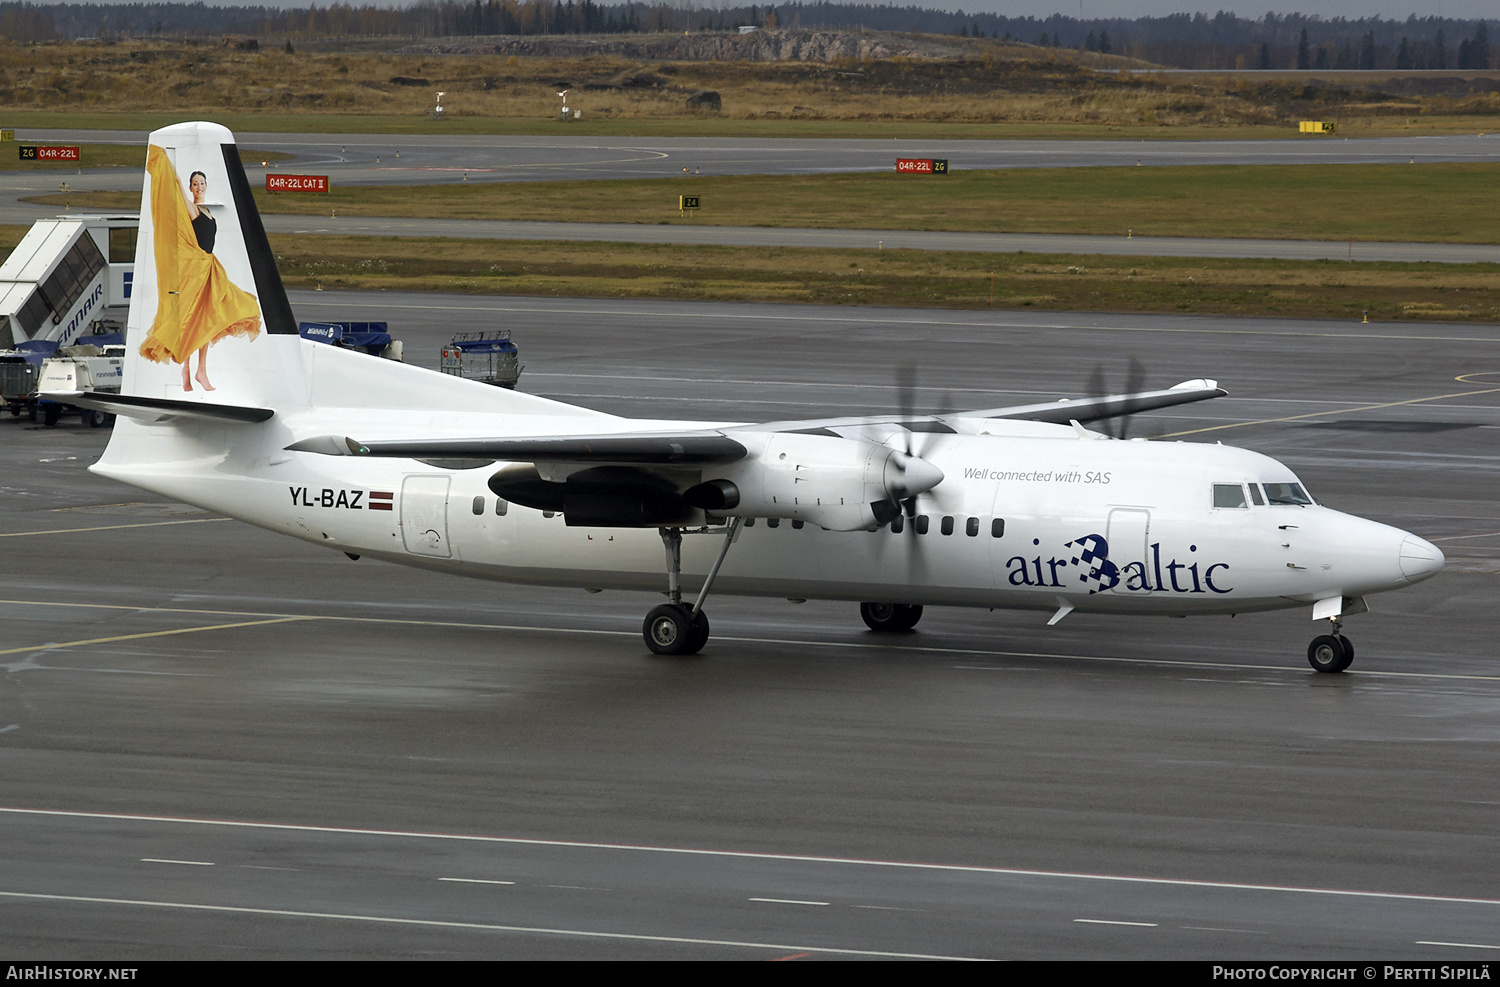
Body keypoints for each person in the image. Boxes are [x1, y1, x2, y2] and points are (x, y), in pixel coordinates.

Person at [137, 147, 261, 391]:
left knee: (207, 316)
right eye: (195, 183)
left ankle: (196, 370)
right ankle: (192, 369)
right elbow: (180, 195)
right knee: (199, 317)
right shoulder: (192, 210)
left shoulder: (207, 211)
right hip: (199, 269)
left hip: (209, 266)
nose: (199, 186)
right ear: (192, 187)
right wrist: (177, 178)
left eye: (201, 182)